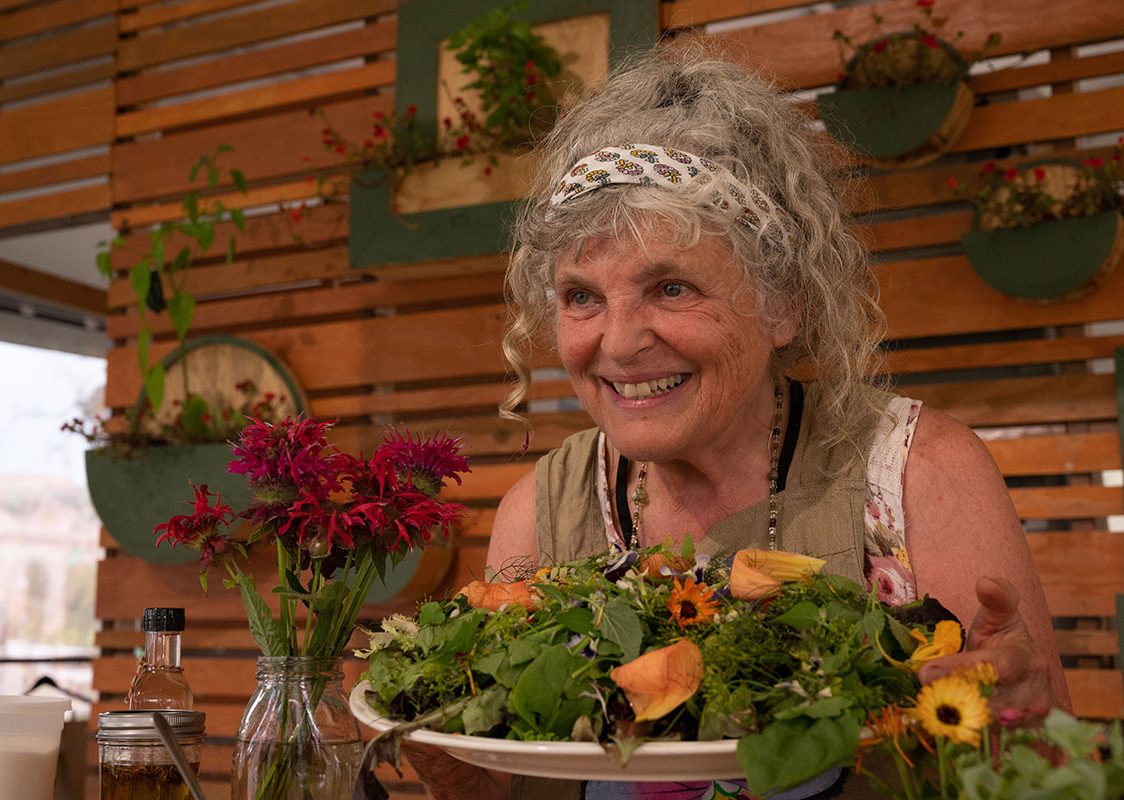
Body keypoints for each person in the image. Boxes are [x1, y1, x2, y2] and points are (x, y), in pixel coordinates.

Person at [406, 38, 1070, 800]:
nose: (618, 343)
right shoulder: (542, 517)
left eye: (672, 287)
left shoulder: (913, 473)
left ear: (782, 301)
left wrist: (1025, 737)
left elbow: (1053, 774)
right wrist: (443, 755)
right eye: (582, 296)